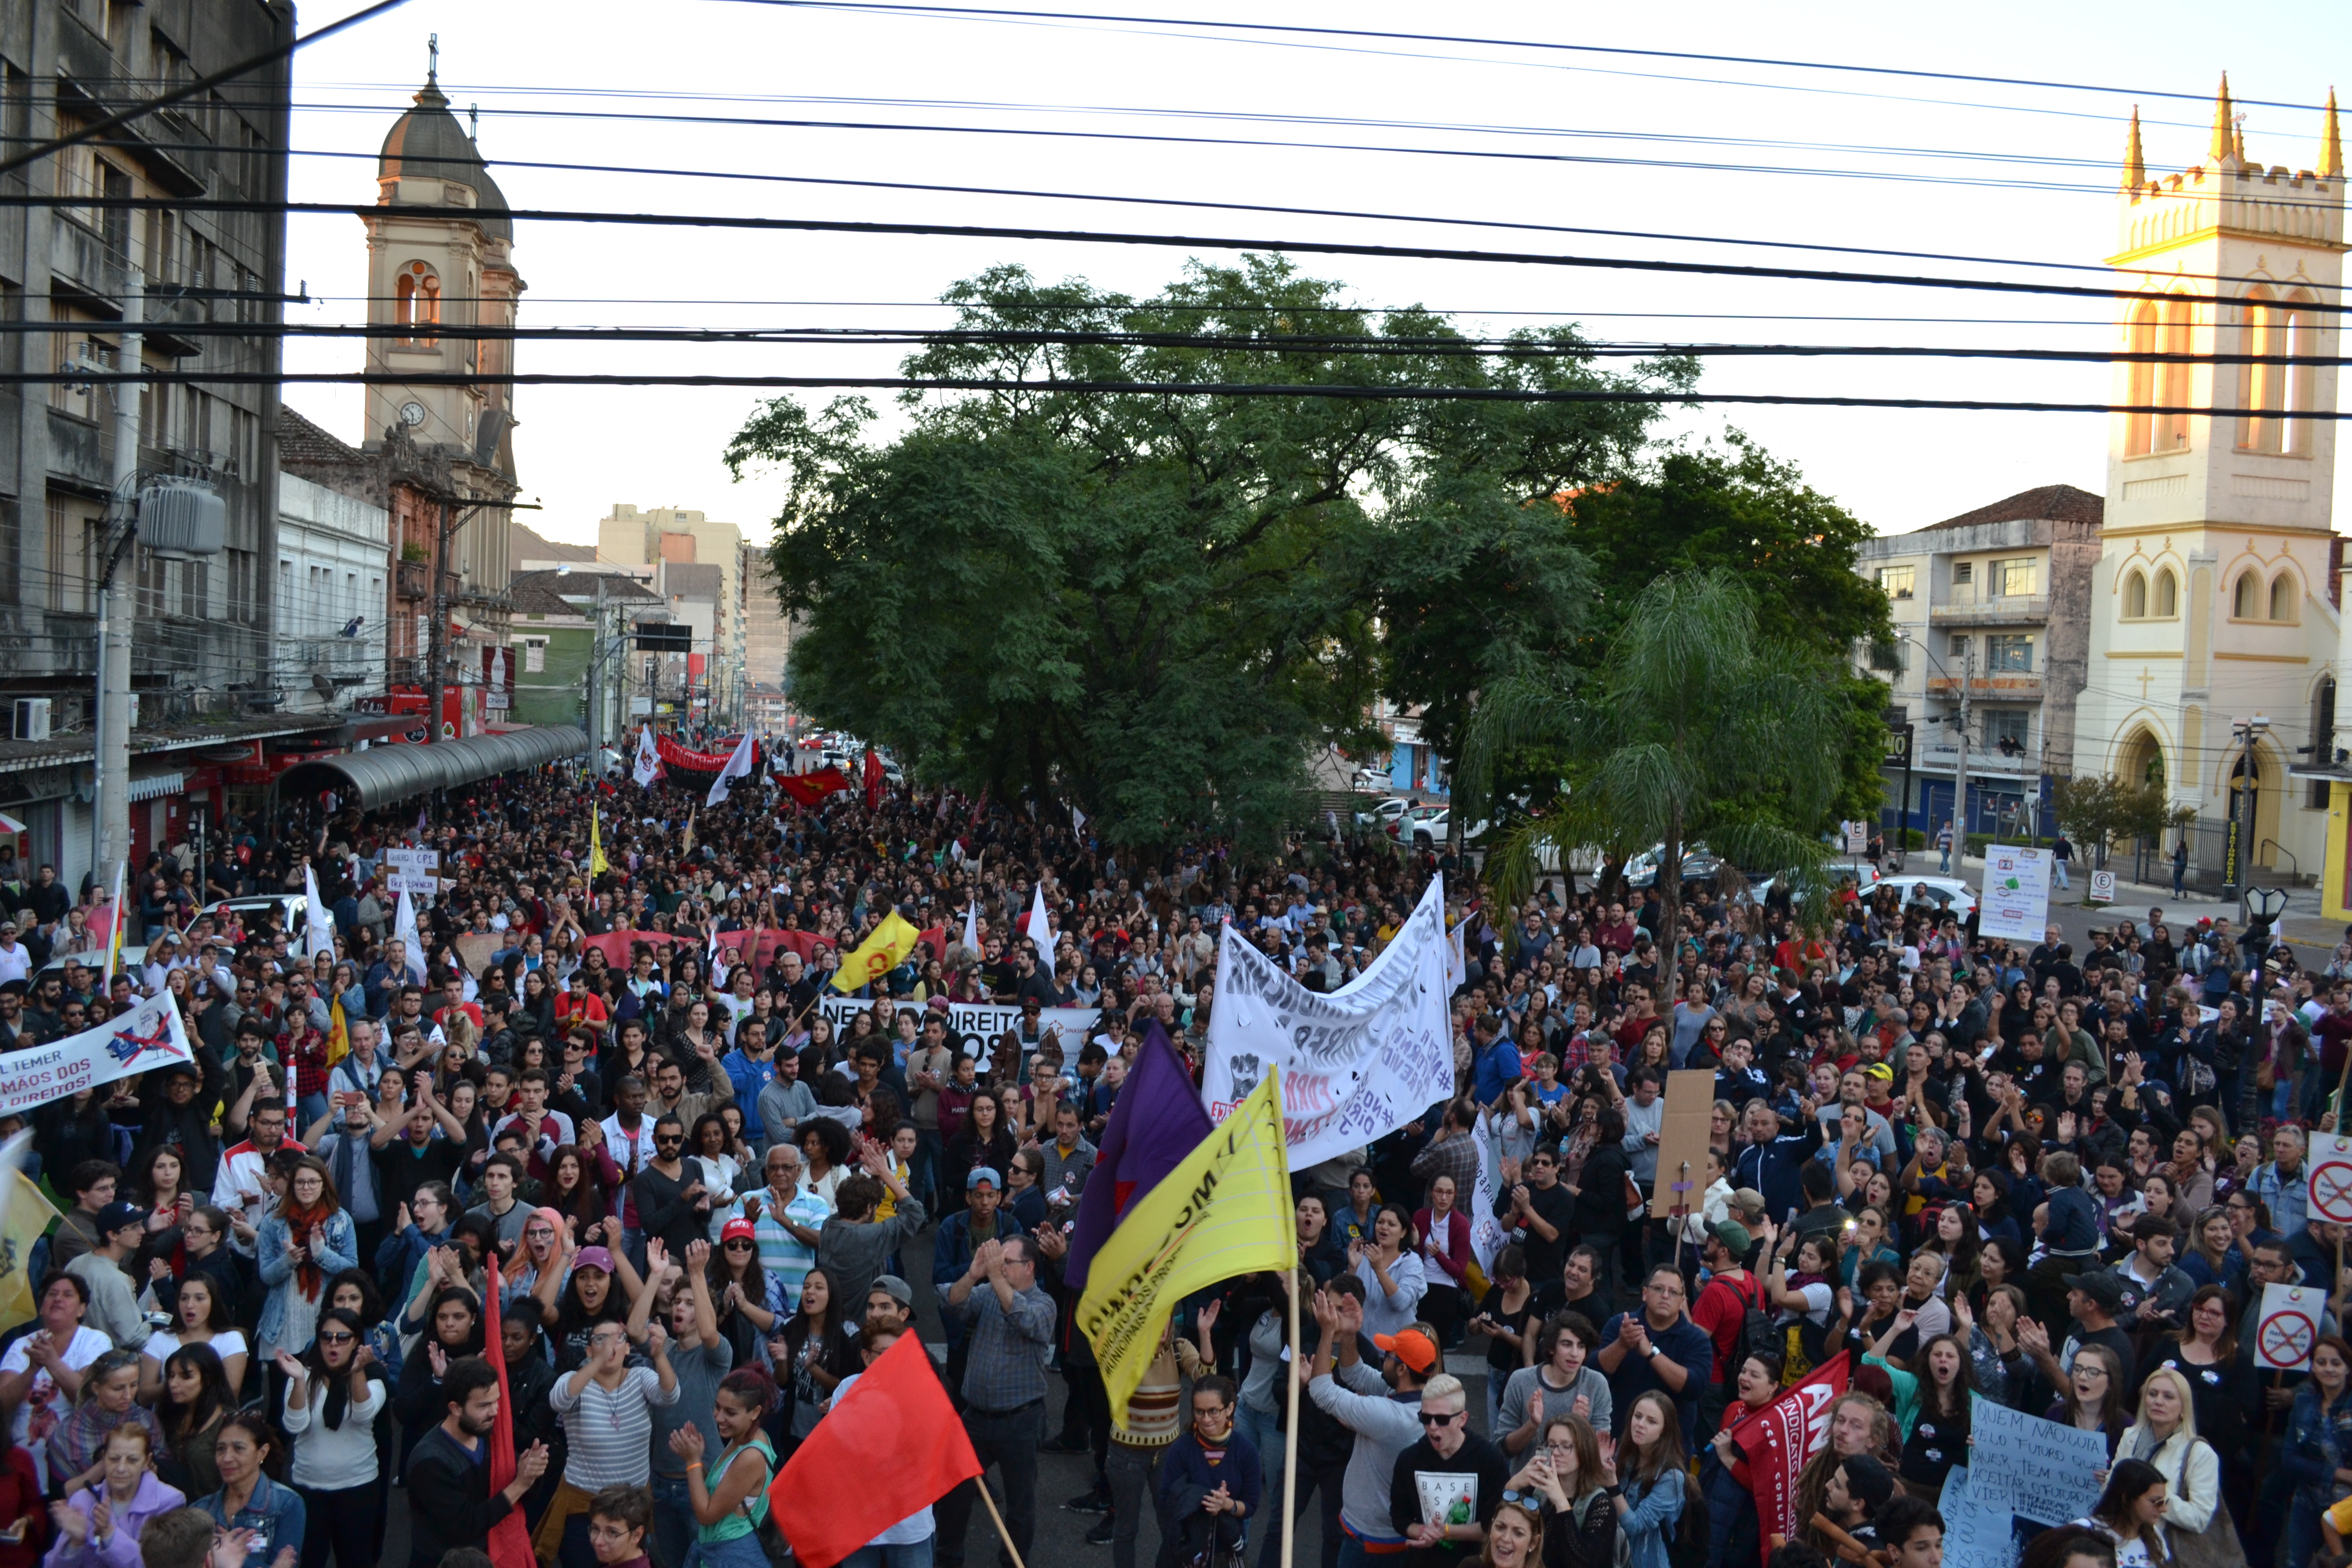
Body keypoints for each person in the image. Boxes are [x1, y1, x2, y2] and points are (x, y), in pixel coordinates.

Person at [932, 1237, 1055, 1568]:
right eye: (998, 1263)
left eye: (1006, 1263)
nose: (998, 1268)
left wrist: (994, 1275)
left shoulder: (1044, 1305)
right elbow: (952, 1303)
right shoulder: (986, 1293)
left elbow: (1024, 1319)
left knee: (1020, 1507)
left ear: (1029, 1268)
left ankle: (1012, 1563)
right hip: (975, 1419)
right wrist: (973, 1274)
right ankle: (947, 1561)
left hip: (1021, 1422)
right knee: (953, 1496)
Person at [1303, 1286, 1430, 1566]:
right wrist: (1349, 1333)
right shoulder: (1414, 1399)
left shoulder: (1389, 1416)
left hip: (1373, 1541)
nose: (1383, 1357)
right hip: (1383, 1532)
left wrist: (1328, 1331)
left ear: (1402, 1370)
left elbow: (1322, 1391)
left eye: (1390, 1355)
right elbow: (1354, 1373)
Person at [537, 1318, 682, 1563]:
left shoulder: (640, 1377)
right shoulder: (575, 1379)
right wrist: (597, 1363)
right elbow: (558, 1402)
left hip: (632, 1508)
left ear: (627, 1348)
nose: (609, 1345)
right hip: (585, 1506)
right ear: (589, 1350)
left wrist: (660, 1357)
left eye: (618, 1338)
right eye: (600, 1339)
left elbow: (669, 1396)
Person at [402, 1356, 550, 1568]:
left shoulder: (489, 1436)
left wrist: (533, 1473)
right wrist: (520, 1484)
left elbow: (521, 1492)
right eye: (484, 1405)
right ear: (455, 1408)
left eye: (497, 1401)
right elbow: (466, 1526)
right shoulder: (430, 1462)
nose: (495, 1412)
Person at [274, 1308, 384, 1568]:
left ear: (356, 1340)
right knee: (310, 1561)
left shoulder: (373, 1374)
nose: (333, 1343)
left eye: (343, 1337)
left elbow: (364, 1414)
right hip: (308, 1488)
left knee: (355, 1562)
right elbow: (294, 1424)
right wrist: (300, 1380)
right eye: (326, 1337)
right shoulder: (302, 1375)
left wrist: (357, 1372)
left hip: (358, 1487)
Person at [832, 1319, 938, 1568]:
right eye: (886, 1354)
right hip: (859, 1526)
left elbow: (929, 1449)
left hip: (910, 1526)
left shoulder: (922, 1390)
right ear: (867, 1357)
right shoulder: (847, 1389)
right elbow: (839, 1450)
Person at [0, 1275, 114, 1491]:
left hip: (74, 1467)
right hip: (23, 1466)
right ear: (41, 1307)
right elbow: (2, 1404)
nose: (58, 1299)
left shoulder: (95, 1341)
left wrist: (52, 1362)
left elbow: (90, 1399)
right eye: (52, 1294)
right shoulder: (22, 1345)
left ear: (81, 1310)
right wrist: (32, 1369)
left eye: (68, 1295)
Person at [663, 1366, 779, 1568]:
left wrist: (692, 1462)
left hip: (734, 1556)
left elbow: (707, 1514)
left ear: (755, 1412)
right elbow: (720, 1490)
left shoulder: (751, 1456)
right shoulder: (741, 1438)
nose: (718, 1418)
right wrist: (697, 1458)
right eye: (717, 1407)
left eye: (730, 1413)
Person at [1387, 1372, 1504, 1568]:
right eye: (1425, 1417)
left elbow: (1494, 1525)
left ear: (1463, 1419)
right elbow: (1400, 1518)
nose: (1433, 1427)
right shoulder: (1409, 1459)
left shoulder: (1488, 1459)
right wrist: (1424, 1532)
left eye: (1441, 1419)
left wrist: (1447, 1531)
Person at [1592, 1266, 1711, 1448]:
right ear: (1645, 1293)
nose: (1665, 1296)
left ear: (1682, 1302)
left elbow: (1694, 1387)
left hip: (1669, 1450)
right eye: (1658, 1289)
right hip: (1620, 1441)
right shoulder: (1622, 1325)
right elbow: (1595, 1374)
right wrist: (1622, 1345)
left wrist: (1651, 1353)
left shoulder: (1696, 1339)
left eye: (1673, 1292)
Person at [41, 1423, 184, 1568]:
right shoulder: (83, 1499)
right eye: (114, 1459)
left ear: (147, 1462)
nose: (121, 1468)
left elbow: (155, 1565)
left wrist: (109, 1534)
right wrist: (75, 1543)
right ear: (104, 1459)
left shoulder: (170, 1501)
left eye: (132, 1460)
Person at [1160, 1375, 1264, 1568]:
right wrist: (1200, 1502)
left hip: (1226, 1552)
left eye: (1213, 1411)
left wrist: (1227, 1504)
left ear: (1230, 1409)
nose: (1206, 1419)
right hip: (1187, 1551)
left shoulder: (1246, 1452)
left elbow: (1250, 1505)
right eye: (1199, 1412)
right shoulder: (1181, 1449)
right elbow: (1166, 1499)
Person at [1502, 1412, 1614, 1568]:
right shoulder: (1537, 1489)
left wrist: (1561, 1503)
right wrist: (1514, 1485)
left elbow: (1584, 1562)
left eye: (1566, 1446)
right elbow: (1500, 1528)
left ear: (1585, 1450)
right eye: (1551, 1445)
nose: (1555, 1453)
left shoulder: (1601, 1503)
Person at [194, 1415, 303, 1568]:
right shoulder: (200, 1510)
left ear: (262, 1453)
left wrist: (227, 1554)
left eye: (238, 1448)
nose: (227, 1458)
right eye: (221, 1449)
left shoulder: (287, 1503)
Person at [1605, 1392, 1696, 1568]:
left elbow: (1635, 1526)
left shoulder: (1672, 1477)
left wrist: (1612, 1484)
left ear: (1665, 1430)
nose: (1640, 1425)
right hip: (1614, 1556)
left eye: (1651, 1421)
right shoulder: (1624, 1455)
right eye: (1638, 1416)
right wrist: (1601, 1466)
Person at [2073, 1458, 2169, 1568]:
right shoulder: (2085, 1530)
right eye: (2156, 1502)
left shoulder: (2154, 1536)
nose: (2164, 1509)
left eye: (2164, 1502)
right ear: (2127, 1498)